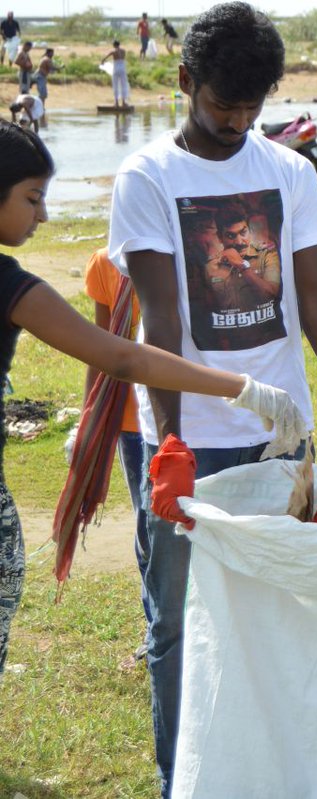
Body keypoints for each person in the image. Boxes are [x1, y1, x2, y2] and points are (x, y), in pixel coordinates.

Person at [106, 5, 317, 794]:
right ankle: (182, 779)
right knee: (176, 622)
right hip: (189, 435)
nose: (237, 121)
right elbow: (161, 317)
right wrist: (170, 440)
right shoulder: (149, 178)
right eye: (224, 104)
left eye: (252, 107)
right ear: (187, 81)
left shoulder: (289, 173)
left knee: (277, 614)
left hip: (278, 436)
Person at [0, 119, 305, 683]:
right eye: (33, 198)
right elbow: (126, 357)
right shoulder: (11, 285)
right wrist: (241, 388)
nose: (42, 215)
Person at [77, 249, 153, 668]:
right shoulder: (104, 264)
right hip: (131, 421)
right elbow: (100, 346)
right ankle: (156, 629)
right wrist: (92, 419)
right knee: (148, 524)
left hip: (186, 415)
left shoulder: (184, 252)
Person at [100, 41, 131, 108]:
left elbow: (104, 59)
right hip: (122, 69)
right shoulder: (123, 51)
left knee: (115, 85)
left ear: (114, 45)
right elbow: (122, 58)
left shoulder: (113, 52)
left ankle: (116, 103)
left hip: (116, 69)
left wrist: (102, 62)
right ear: (119, 45)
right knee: (123, 85)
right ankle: (123, 102)